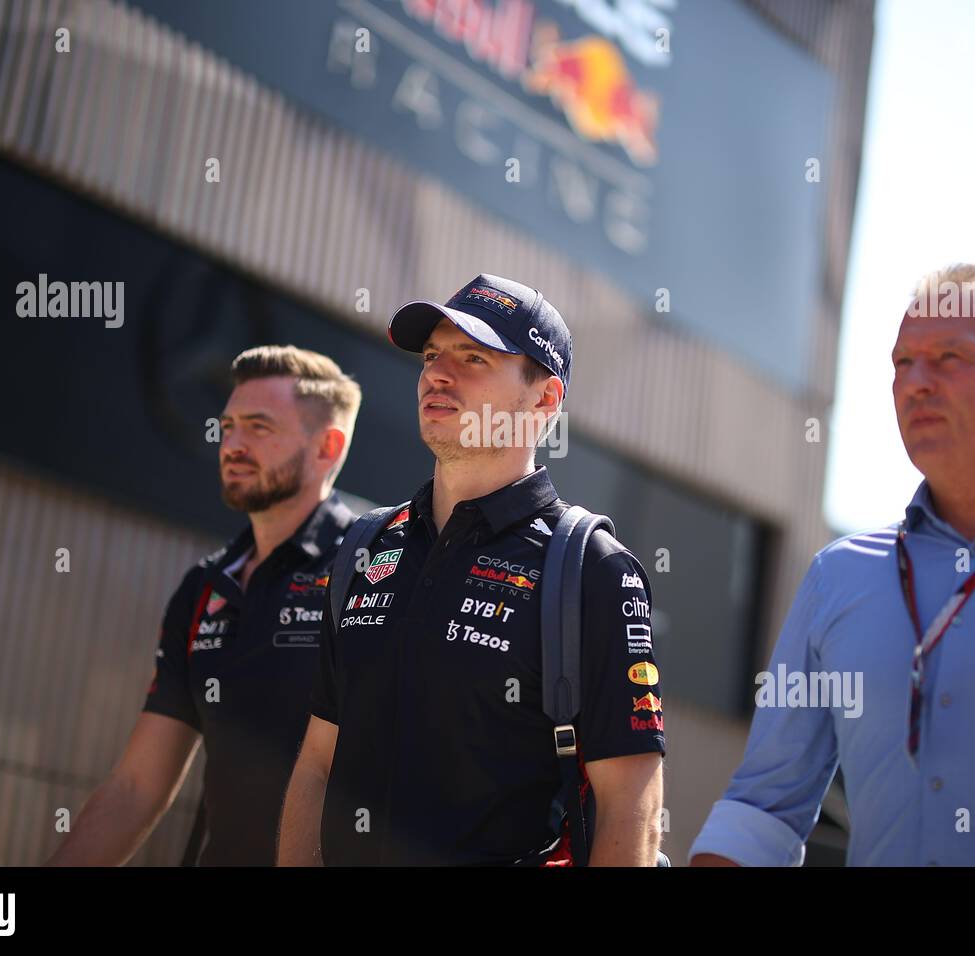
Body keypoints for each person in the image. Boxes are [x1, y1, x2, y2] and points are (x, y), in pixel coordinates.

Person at [691, 263, 975, 866]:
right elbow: (762, 809)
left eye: (949, 358)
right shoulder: (839, 577)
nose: (915, 383)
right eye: (901, 363)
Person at [277, 274, 664, 866]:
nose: (437, 372)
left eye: (473, 356)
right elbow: (317, 760)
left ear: (544, 399)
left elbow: (629, 807)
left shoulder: (591, 569)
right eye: (432, 354)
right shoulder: (364, 544)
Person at [47, 346, 362, 865]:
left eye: (259, 427)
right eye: (228, 425)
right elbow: (134, 789)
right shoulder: (204, 586)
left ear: (327, 447)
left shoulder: (371, 569)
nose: (231, 444)